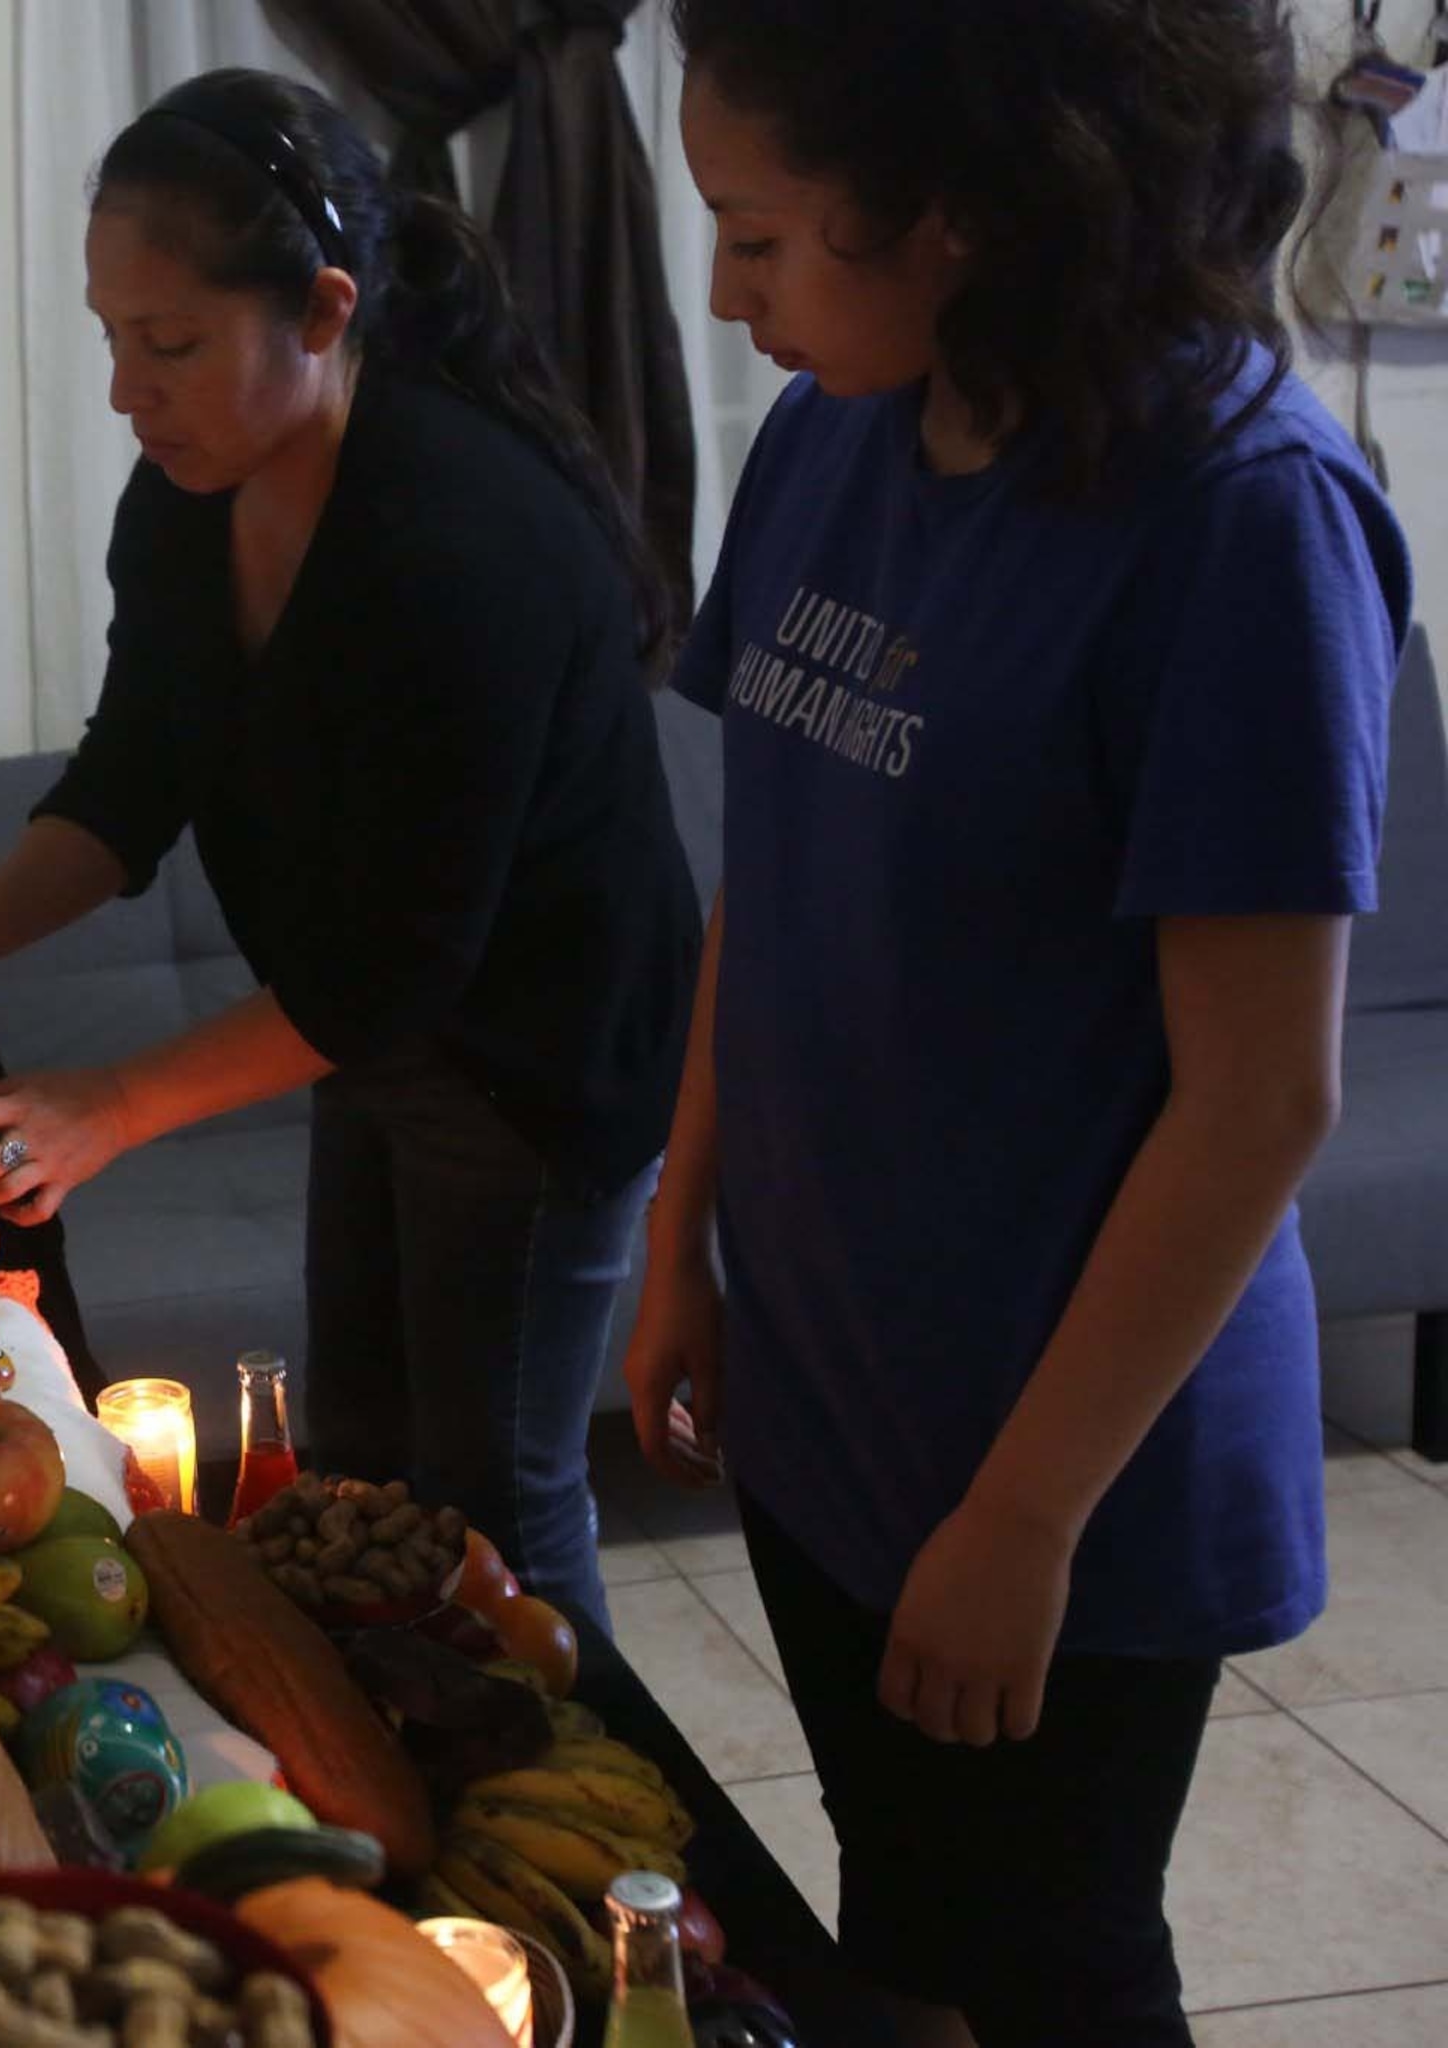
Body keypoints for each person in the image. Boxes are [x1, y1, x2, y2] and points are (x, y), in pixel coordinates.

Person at [624, 5, 1412, 2043]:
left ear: (961, 212)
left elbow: (1260, 1099)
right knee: (897, 1939)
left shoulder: (1239, 508)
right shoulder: (829, 437)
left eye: (763, 235)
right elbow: (770, 894)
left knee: (1050, 1966)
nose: (728, 294)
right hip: (831, 1388)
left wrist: (1026, 1514)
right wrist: (684, 1231)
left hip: (1067, 1454)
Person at [0, 68, 702, 1625]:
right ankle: (401, 1787)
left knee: (495, 1498)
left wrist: (116, 1102)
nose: (125, 391)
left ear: (322, 310)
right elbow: (128, 784)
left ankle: (584, 1834)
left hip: (536, 1064)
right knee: (363, 1463)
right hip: (364, 1032)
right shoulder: (186, 500)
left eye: (168, 345)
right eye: (111, 339)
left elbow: (405, 969)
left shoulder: (458, 542)